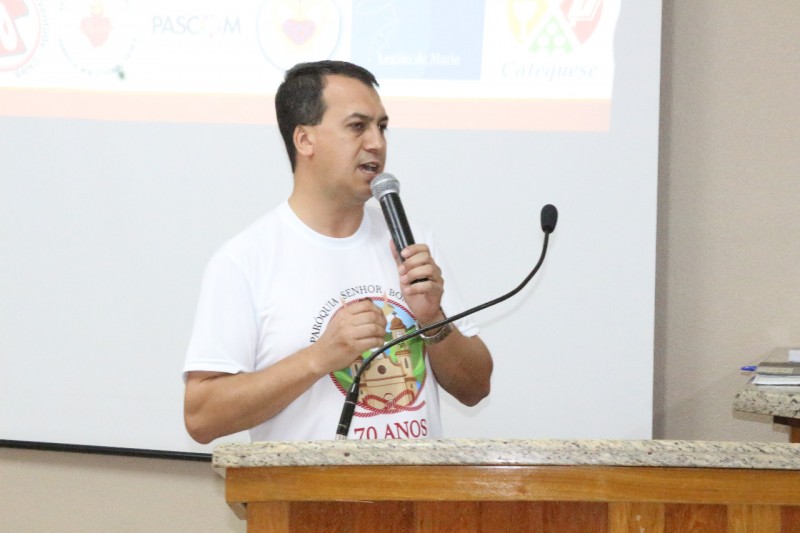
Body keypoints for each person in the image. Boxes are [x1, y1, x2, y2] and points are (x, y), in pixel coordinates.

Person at [183, 60, 492, 443]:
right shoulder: (245, 260)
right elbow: (201, 416)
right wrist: (321, 357)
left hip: (417, 498)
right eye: (357, 126)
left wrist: (433, 320)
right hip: (307, 500)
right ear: (304, 140)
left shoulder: (411, 243)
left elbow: (476, 387)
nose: (377, 143)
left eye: (382, 127)